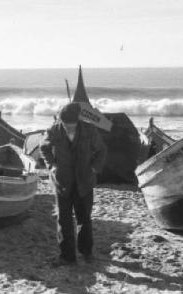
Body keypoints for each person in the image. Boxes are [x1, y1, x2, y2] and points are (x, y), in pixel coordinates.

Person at [39, 102, 107, 266]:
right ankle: (67, 256)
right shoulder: (54, 130)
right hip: (62, 181)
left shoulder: (89, 130)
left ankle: (86, 252)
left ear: (78, 120)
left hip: (84, 180)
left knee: (84, 218)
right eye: (65, 125)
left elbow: (101, 151)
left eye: (72, 125)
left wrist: (94, 168)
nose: (69, 128)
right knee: (63, 219)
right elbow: (43, 148)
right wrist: (51, 165)